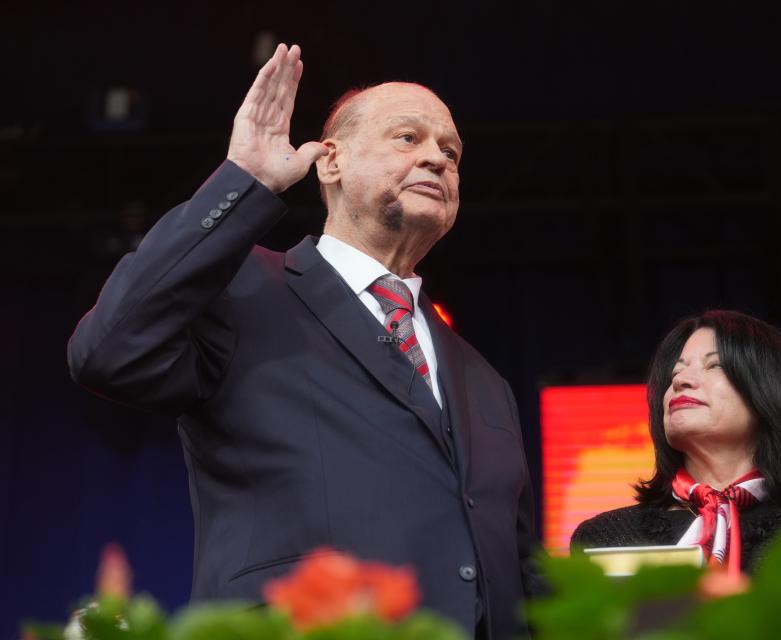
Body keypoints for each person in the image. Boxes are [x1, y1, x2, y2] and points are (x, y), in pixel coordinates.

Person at [68, 43, 538, 639]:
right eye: (407, 138)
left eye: (451, 151)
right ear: (330, 163)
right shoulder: (243, 288)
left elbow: (513, 565)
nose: (438, 160)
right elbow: (107, 352)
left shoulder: (483, 379)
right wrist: (245, 183)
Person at [570, 310, 781, 574]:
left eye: (714, 365)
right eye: (675, 374)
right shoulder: (604, 537)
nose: (681, 380)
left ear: (770, 391)